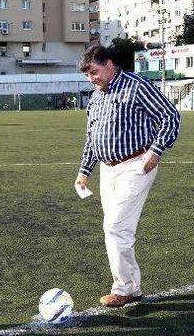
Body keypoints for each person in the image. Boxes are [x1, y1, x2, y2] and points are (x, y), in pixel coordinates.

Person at [75, 46, 181, 308]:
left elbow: (170, 116)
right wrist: (84, 171)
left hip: (136, 165)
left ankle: (122, 288)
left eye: (95, 72)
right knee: (115, 229)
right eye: (87, 75)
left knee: (115, 227)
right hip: (107, 170)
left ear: (109, 64)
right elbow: (92, 137)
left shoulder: (137, 86)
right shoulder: (96, 97)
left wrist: (156, 151)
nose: (92, 79)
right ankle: (132, 288)